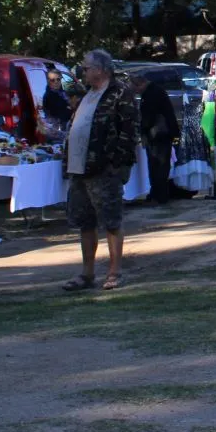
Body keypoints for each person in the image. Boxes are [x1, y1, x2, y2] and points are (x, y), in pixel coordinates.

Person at [62, 50, 140, 291]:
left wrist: (117, 164)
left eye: (86, 68)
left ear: (101, 69)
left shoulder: (119, 93)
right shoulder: (87, 94)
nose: (82, 72)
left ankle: (114, 272)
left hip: (104, 168)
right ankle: (87, 274)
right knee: (85, 221)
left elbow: (129, 131)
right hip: (79, 169)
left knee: (111, 221)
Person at [138, 76, 177, 206]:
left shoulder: (151, 94)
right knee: (160, 165)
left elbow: (148, 117)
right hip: (163, 134)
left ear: (141, 84)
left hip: (158, 135)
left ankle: (159, 196)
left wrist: (143, 131)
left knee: (157, 165)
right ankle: (158, 194)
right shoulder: (156, 91)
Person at [39, 69, 72, 143]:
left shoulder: (64, 92)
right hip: (56, 132)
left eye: (58, 79)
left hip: (65, 129)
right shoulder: (49, 96)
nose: (56, 82)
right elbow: (58, 113)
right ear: (48, 81)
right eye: (52, 80)